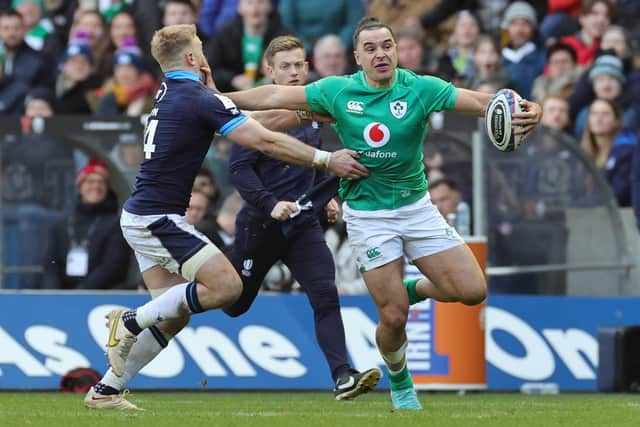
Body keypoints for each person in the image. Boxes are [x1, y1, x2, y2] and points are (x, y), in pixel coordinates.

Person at [224, 17, 542, 410]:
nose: (381, 54)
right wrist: (215, 99)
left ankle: (412, 289)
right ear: (357, 57)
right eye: (370, 48)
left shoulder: (421, 88)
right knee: (393, 319)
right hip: (368, 216)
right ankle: (401, 381)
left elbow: (483, 103)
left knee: (473, 291)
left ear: (396, 50)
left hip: (417, 208)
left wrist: (532, 109)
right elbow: (273, 97)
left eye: (387, 46)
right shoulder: (338, 91)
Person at [86, 23, 367, 410]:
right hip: (158, 219)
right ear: (190, 58)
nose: (204, 53)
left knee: (173, 314)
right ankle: (130, 321)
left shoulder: (173, 92)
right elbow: (263, 139)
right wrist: (325, 159)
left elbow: (258, 122)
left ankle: (106, 390)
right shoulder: (196, 97)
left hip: (142, 215)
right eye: (199, 47)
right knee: (227, 288)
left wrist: (306, 117)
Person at [225, 35, 381, 400]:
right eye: (285, 67)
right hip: (260, 226)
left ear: (307, 67)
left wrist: (325, 194)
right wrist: (269, 204)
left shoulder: (313, 110)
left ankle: (343, 375)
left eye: (299, 65)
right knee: (233, 303)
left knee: (325, 295)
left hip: (302, 225)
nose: (294, 72)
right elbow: (240, 170)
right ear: (270, 72)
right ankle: (160, 312)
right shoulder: (260, 115)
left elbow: (310, 161)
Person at [42, 159, 131, 290]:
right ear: (80, 186)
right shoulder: (61, 226)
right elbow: (50, 265)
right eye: (90, 181)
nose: (95, 186)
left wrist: (80, 294)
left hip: (100, 297)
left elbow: (112, 267)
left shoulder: (116, 225)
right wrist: (54, 295)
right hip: (61, 297)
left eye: (101, 182)